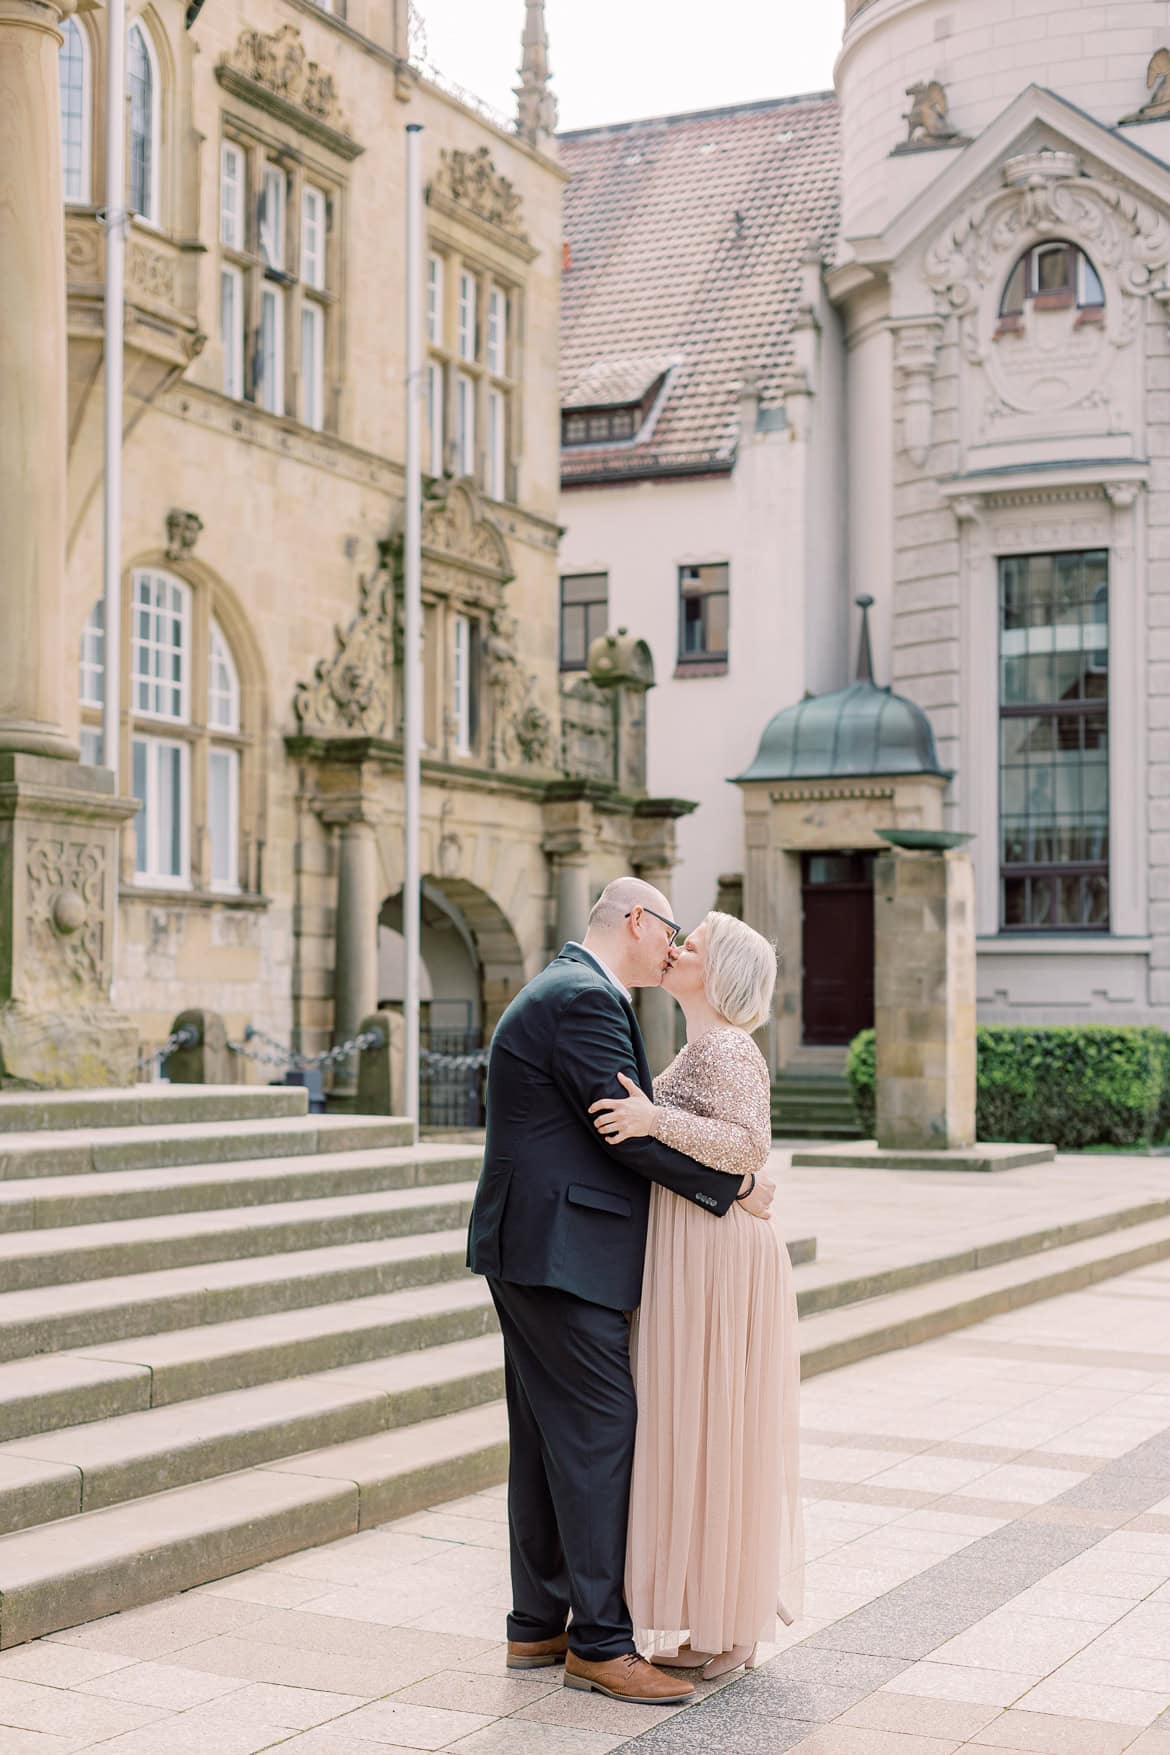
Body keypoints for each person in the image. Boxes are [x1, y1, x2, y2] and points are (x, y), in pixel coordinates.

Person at [466, 877, 776, 1708]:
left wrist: (729, 1173)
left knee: (541, 1435)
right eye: (672, 932)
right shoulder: (585, 999)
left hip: (538, 1246)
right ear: (636, 921)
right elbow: (625, 1131)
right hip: (561, 1252)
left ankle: (537, 1620)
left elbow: (630, 1124)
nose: (676, 947)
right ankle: (600, 1644)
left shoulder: (574, 989)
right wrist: (733, 1187)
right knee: (601, 1430)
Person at [590, 911, 804, 1679]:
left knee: (721, 1430)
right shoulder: (699, 1044)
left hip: (720, 1258)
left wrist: (654, 1116)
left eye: (697, 944)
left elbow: (749, 1143)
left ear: (720, 975)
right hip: (696, 1250)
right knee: (699, 1428)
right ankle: (715, 1612)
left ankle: (733, 1625)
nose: (678, 946)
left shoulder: (727, 1047)